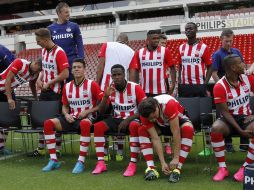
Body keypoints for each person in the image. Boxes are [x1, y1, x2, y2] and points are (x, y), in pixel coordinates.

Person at [42, 58, 103, 173]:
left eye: (79, 67)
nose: (76, 69)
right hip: (71, 117)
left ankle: (81, 161)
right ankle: (53, 160)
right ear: (71, 71)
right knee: (48, 123)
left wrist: (88, 111)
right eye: (74, 67)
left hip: (87, 117)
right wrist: (66, 115)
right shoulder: (67, 86)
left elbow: (102, 104)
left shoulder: (92, 84)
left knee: (85, 123)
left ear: (84, 69)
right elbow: (64, 106)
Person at [91, 64, 146, 176]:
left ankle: (132, 163)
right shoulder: (110, 89)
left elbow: (144, 109)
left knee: (134, 126)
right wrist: (105, 97)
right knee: (98, 127)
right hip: (116, 119)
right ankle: (101, 163)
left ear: (124, 74)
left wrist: (127, 120)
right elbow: (101, 112)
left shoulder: (135, 87)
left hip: (132, 119)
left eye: (119, 74)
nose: (116, 77)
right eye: (114, 75)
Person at [210, 54, 254, 182]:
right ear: (233, 68)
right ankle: (222, 168)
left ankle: (246, 167)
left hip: (245, 117)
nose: (244, 65)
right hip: (228, 119)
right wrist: (240, 131)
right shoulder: (219, 86)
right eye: (241, 63)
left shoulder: (248, 78)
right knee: (216, 128)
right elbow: (224, 112)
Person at [30, 28, 69, 157]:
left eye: (38, 41)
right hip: (45, 91)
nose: (37, 43)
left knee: (55, 122)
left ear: (46, 40)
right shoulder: (43, 50)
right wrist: (39, 80)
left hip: (56, 92)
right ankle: (41, 148)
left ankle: (56, 150)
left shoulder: (59, 52)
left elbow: (65, 74)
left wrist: (50, 82)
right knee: (42, 120)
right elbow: (44, 70)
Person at [138, 95, 194, 183]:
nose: (152, 120)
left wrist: (176, 158)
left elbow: (176, 133)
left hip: (178, 120)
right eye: (150, 119)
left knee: (188, 129)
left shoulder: (169, 104)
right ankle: (151, 168)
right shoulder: (143, 114)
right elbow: (155, 138)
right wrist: (163, 162)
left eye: (153, 116)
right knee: (142, 130)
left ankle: (177, 169)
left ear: (156, 107)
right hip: (161, 124)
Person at [96, 33, 134, 161]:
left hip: (105, 88)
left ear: (117, 40)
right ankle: (119, 152)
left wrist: (97, 84)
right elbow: (132, 73)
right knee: (120, 117)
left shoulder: (107, 45)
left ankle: (105, 152)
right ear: (127, 42)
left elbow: (100, 66)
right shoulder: (131, 51)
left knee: (103, 119)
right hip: (122, 88)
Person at [212, 29, 248, 153]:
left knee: (243, 110)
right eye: (226, 41)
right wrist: (222, 87)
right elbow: (214, 73)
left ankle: (245, 144)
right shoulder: (217, 55)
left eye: (231, 41)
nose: (229, 43)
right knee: (224, 114)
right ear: (221, 39)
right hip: (223, 90)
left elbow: (243, 66)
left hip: (237, 87)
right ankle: (228, 144)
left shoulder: (236, 52)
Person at [0, 58, 41, 155]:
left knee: (8, 119)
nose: (38, 71)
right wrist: (10, 99)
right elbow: (8, 79)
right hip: (2, 87)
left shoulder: (35, 74)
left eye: (40, 70)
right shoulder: (20, 62)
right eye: (38, 68)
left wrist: (36, 99)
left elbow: (32, 84)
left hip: (9, 91)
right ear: (34, 62)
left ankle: (1, 147)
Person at [129, 30, 176, 97]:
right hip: (144, 91)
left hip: (161, 91)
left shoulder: (165, 51)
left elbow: (172, 68)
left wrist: (173, 85)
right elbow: (135, 70)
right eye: (154, 38)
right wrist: (135, 87)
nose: (156, 40)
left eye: (157, 38)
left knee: (161, 107)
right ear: (147, 40)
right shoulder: (140, 52)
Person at [48, 2, 84, 82]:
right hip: (57, 61)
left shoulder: (74, 26)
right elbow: (49, 48)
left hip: (72, 60)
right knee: (60, 85)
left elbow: (80, 44)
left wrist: (81, 59)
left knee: (73, 84)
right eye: (66, 12)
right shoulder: (50, 28)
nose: (68, 14)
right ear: (58, 13)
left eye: (69, 12)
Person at [177, 22, 213, 97]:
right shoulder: (181, 47)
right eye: (186, 29)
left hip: (199, 85)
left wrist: (205, 84)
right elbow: (180, 66)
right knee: (186, 108)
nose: (188, 31)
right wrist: (179, 82)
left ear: (196, 30)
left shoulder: (203, 47)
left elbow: (210, 67)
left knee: (199, 108)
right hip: (184, 86)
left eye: (190, 29)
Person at [0, 44, 16, 154]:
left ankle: (1, 146)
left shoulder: (1, 51)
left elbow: (12, 68)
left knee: (6, 117)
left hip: (5, 86)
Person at [158, 33, 172, 155]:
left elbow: (168, 73)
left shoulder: (165, 55)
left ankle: (167, 145)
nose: (164, 46)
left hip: (164, 89)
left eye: (165, 44)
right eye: (162, 43)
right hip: (152, 90)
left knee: (165, 117)